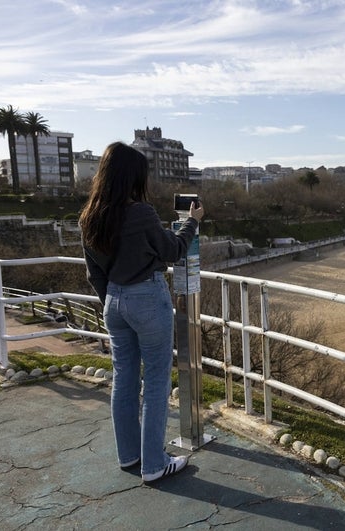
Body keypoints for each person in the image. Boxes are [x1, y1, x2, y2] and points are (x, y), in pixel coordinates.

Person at [79, 142, 204, 483]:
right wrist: (191, 223)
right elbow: (173, 251)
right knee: (157, 381)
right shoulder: (141, 213)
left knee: (124, 378)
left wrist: (114, 299)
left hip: (113, 302)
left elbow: (94, 272)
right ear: (133, 177)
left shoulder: (90, 215)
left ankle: (130, 455)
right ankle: (154, 463)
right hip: (147, 298)